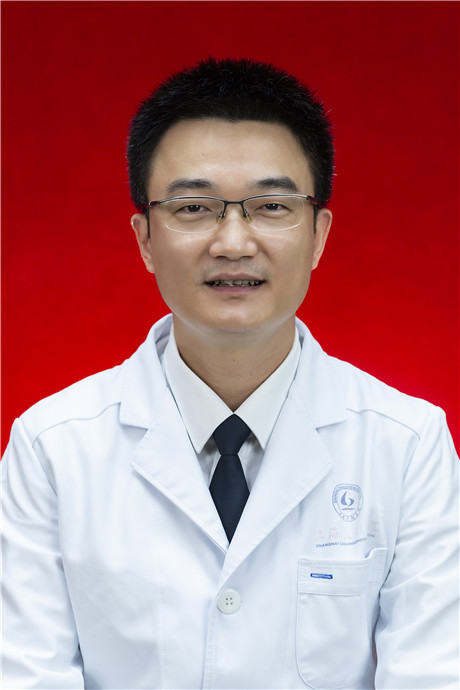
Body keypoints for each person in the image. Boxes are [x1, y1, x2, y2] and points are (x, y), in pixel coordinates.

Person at [2, 58, 458, 690]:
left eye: (271, 206)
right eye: (194, 207)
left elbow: (433, 674)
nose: (234, 243)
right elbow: (26, 675)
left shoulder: (407, 445)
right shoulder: (52, 448)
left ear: (319, 236)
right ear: (145, 239)